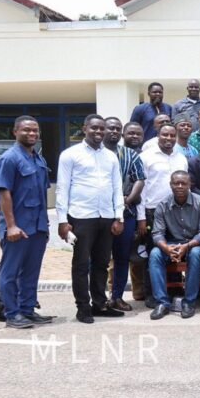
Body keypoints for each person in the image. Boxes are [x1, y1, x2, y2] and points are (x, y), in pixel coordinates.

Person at [56, 114, 124, 324]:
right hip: (81, 216)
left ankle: (99, 304)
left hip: (106, 217)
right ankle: (83, 307)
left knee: (102, 263)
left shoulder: (111, 156)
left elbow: (117, 187)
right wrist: (62, 220)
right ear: (85, 128)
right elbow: (62, 187)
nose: (99, 132)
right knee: (81, 264)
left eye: (102, 129)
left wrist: (119, 216)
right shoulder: (70, 155)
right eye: (94, 128)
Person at [0, 116, 52, 328]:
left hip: (37, 227)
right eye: (27, 130)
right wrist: (11, 225)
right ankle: (12, 314)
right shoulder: (9, 159)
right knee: (10, 273)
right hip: (17, 228)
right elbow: (4, 193)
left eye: (35, 130)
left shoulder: (39, 159)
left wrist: (44, 225)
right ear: (15, 132)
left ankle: (27, 310)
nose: (32, 134)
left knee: (31, 271)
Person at [136, 123, 189, 307]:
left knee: (173, 250)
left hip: (176, 210)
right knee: (153, 252)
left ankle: (173, 290)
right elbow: (141, 189)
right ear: (157, 135)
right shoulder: (145, 157)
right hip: (152, 211)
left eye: (172, 135)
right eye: (164, 134)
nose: (168, 138)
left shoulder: (181, 158)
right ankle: (151, 293)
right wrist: (141, 217)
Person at [147, 171, 200, 320]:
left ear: (190, 185)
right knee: (155, 254)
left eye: (184, 183)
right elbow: (157, 233)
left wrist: (187, 246)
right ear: (171, 185)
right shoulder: (162, 205)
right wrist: (166, 248)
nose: (180, 186)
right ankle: (162, 302)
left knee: (196, 254)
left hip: (194, 243)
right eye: (176, 183)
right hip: (172, 244)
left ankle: (189, 302)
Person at [103, 117, 145, 312]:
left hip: (125, 213)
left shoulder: (130, 155)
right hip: (97, 215)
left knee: (121, 257)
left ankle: (117, 297)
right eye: (110, 128)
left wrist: (126, 201)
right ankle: (97, 297)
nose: (114, 131)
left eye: (117, 129)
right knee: (98, 259)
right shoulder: (95, 155)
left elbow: (139, 180)